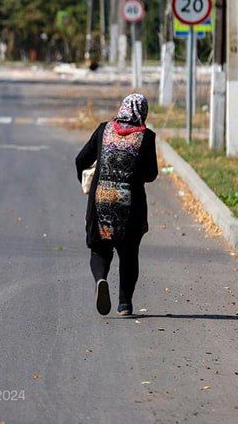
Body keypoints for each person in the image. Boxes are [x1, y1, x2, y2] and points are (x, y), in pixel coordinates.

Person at [75, 93, 158, 316]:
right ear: (143, 113)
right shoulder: (147, 137)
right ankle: (124, 304)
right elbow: (151, 174)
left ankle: (101, 278)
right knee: (129, 253)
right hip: (131, 204)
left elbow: (80, 159)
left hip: (101, 199)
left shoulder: (104, 129)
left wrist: (86, 183)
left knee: (100, 250)